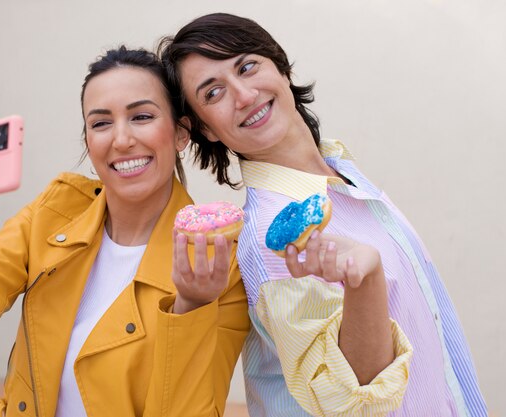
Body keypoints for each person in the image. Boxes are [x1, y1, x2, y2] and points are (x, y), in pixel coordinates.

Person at [159, 12, 487, 417]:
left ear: (280, 66)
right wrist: (364, 285)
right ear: (205, 129)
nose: (243, 95)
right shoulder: (272, 239)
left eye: (247, 66)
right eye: (213, 94)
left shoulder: (340, 172)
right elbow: (348, 402)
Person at [0, 46, 250, 417]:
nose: (121, 139)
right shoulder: (55, 210)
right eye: (100, 123)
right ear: (88, 140)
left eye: (142, 116)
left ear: (181, 133)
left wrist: (191, 307)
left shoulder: (218, 261)